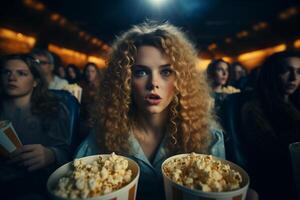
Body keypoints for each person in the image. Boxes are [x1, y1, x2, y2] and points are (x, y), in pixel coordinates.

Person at [75, 21, 227, 200]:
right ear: (125, 81)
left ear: (181, 80)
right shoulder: (101, 137)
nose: (153, 83)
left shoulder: (209, 137)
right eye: (141, 72)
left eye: (166, 72)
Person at [0, 54, 72, 199]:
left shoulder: (54, 109)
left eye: (21, 73)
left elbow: (69, 152)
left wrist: (51, 154)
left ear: (35, 81)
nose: (12, 78)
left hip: (36, 185)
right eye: (7, 72)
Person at [241, 51, 300, 200]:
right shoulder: (253, 107)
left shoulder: (295, 103)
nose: (294, 78)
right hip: (278, 181)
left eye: (299, 72)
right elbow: (270, 150)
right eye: (285, 71)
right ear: (271, 74)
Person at [79, 62, 103, 140]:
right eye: (87, 71)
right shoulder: (80, 86)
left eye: (92, 71)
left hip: (97, 122)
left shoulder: (102, 87)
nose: (89, 74)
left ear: (97, 73)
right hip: (83, 121)